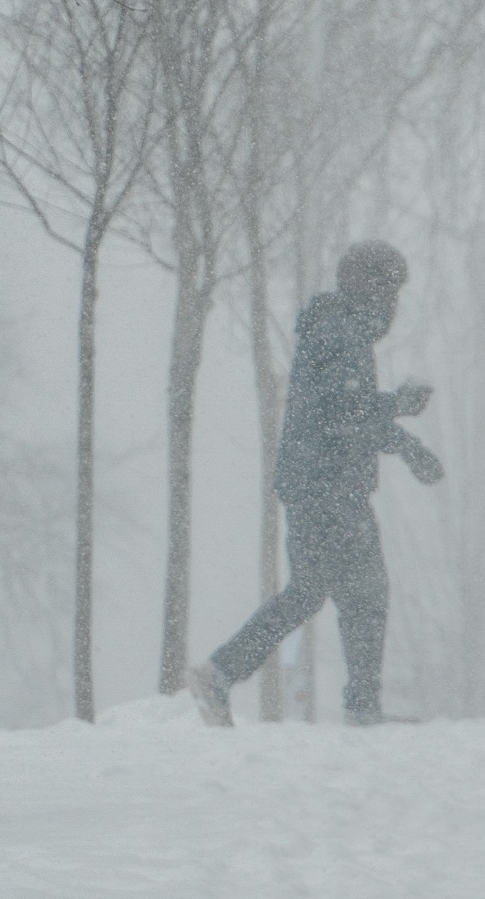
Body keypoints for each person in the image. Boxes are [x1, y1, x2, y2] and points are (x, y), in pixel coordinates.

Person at [188, 242, 443, 727]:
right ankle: (358, 705)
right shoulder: (340, 329)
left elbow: (349, 413)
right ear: (366, 285)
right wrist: (400, 406)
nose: (394, 301)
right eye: (390, 287)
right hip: (327, 485)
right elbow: (344, 412)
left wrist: (408, 447)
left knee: (323, 592)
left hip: (318, 482)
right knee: (360, 592)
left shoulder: (340, 328)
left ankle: (222, 673)